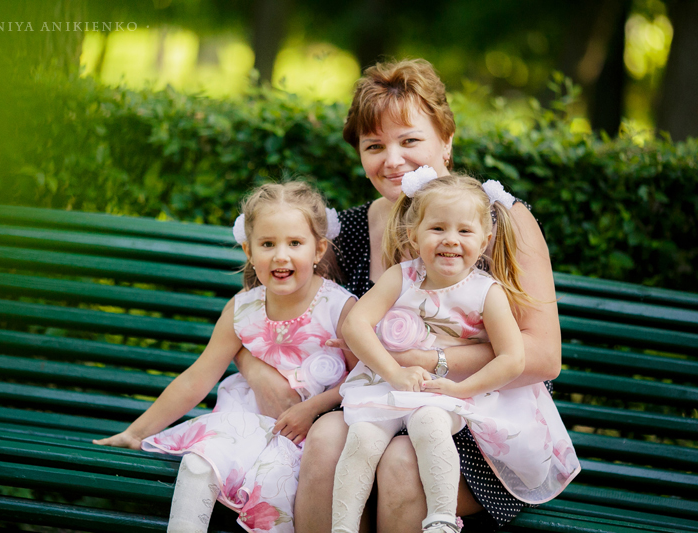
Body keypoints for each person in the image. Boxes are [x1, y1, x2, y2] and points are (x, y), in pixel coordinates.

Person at [234, 58, 563, 532]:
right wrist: (254, 367)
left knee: (403, 466)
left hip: (480, 412)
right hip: (380, 398)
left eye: (409, 141)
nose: (392, 160)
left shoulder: (498, 221)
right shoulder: (347, 231)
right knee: (325, 443)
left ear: (446, 140)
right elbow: (258, 309)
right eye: (374, 146)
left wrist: (427, 361)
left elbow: (544, 356)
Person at [94, 181, 357, 533]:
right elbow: (197, 378)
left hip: (308, 435)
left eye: (295, 243)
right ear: (249, 250)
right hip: (243, 422)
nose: (280, 255)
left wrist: (313, 408)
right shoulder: (242, 308)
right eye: (267, 244)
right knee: (200, 463)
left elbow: (362, 378)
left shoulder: (340, 308)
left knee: (276, 484)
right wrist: (135, 433)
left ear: (318, 249)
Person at [331, 170, 579, 533]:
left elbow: (513, 359)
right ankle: (342, 527)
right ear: (414, 235)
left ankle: (442, 520)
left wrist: (461, 389)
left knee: (430, 422)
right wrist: (394, 372)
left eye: (464, 231)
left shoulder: (486, 293)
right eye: (437, 228)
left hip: (453, 390)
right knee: (362, 438)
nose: (450, 239)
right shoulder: (401, 277)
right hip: (392, 383)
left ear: (484, 240)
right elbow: (355, 324)